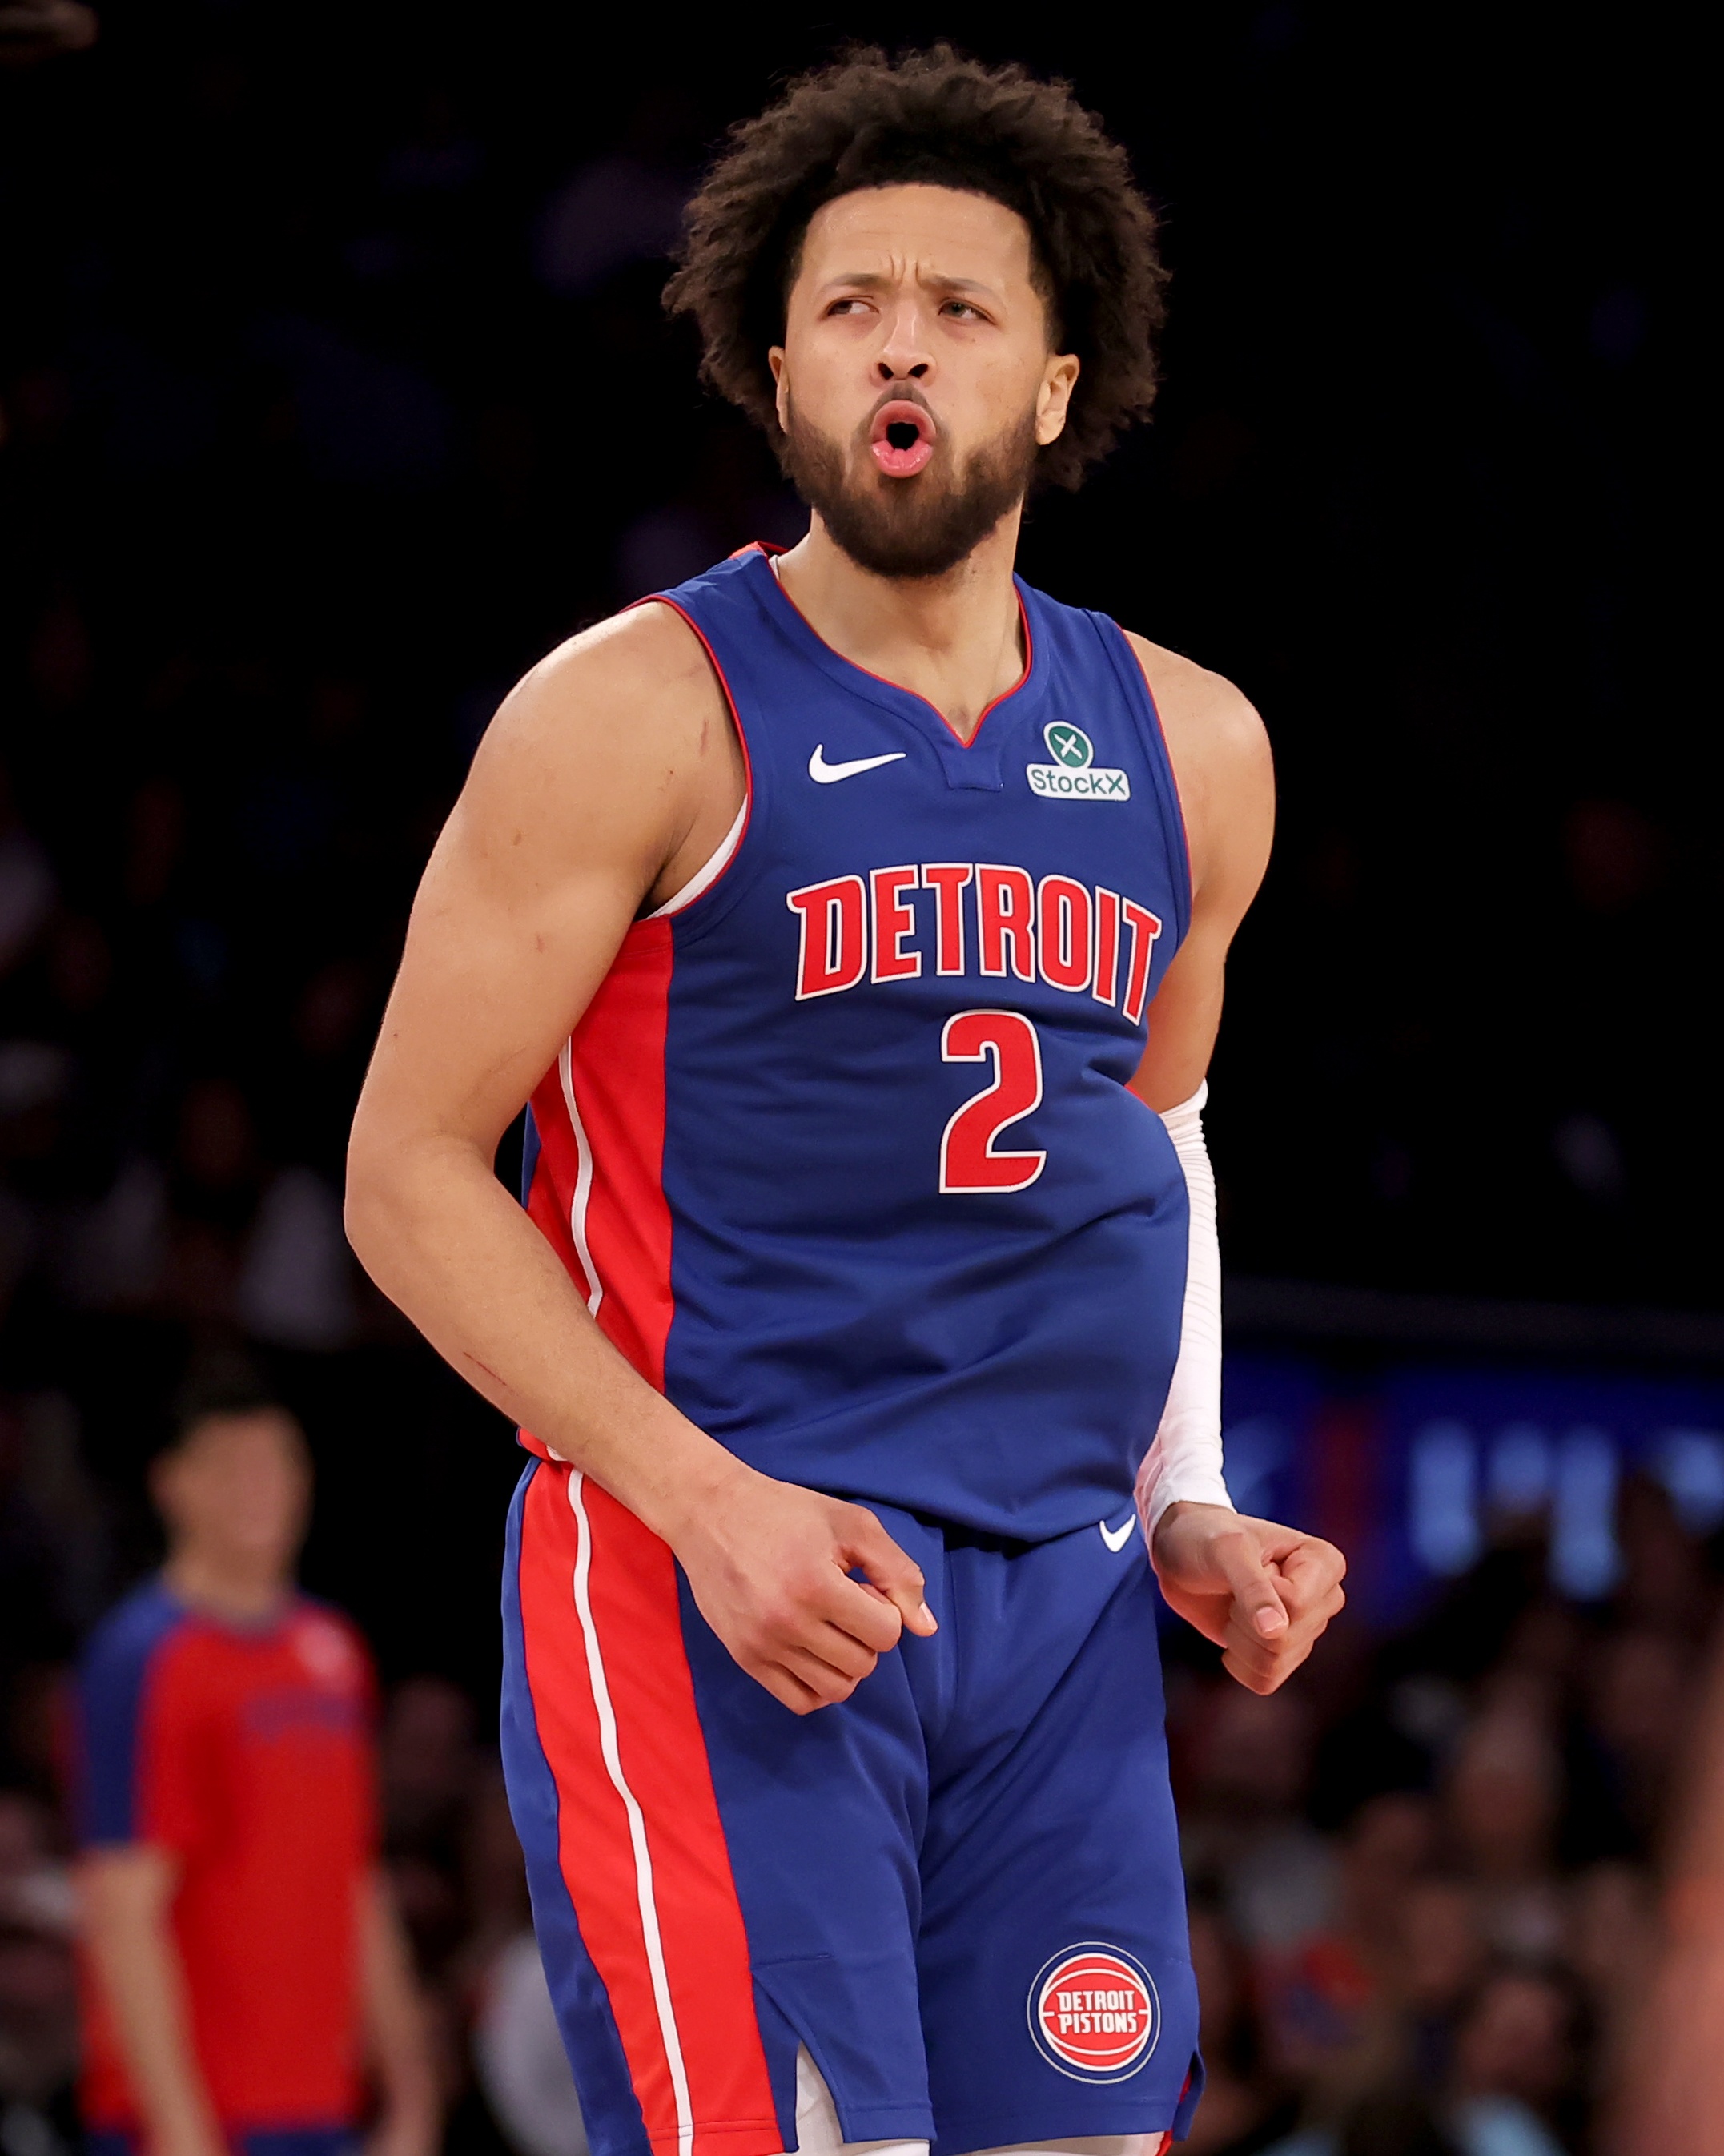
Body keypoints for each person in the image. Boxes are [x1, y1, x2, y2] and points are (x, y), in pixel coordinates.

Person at [345, 45, 1346, 2156]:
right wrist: (702, 1499)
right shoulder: (634, 708)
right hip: (718, 1568)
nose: (901, 345)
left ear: (1055, 386)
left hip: (1058, 1606)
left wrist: (1182, 1493)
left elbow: (1157, 1142)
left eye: (957, 308)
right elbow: (407, 1172)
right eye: (850, 306)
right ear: (777, 369)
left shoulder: (1194, 746)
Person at [72, 1390, 439, 2156]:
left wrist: (411, 2092)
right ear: (172, 1483)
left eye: (276, 1464)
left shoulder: (333, 1651)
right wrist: (179, 2129)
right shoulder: (140, 1659)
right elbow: (122, 1908)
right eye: (230, 1466)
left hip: (322, 2104)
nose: (258, 1488)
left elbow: (355, 1878)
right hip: (195, 2117)